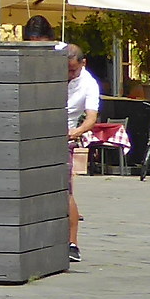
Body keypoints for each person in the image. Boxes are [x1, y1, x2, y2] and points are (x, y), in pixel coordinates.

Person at [64, 43, 100, 265]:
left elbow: (91, 117)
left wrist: (75, 132)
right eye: (66, 70)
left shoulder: (89, 84)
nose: (69, 75)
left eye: (73, 70)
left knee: (64, 189)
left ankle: (72, 243)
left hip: (65, 134)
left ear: (83, 64)